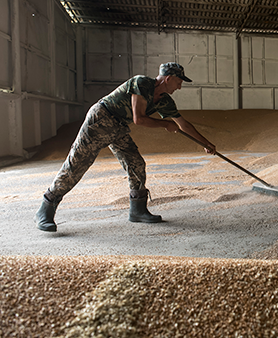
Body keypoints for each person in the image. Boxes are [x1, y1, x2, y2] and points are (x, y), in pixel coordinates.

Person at [35, 62, 216, 232]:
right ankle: (46, 207)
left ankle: (137, 210)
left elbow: (183, 125)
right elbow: (139, 118)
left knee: (136, 163)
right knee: (77, 164)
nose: (179, 87)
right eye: (178, 82)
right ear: (168, 78)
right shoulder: (141, 83)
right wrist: (164, 124)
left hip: (118, 127)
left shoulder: (165, 101)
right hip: (101, 119)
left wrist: (206, 143)